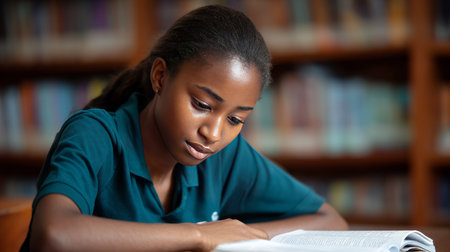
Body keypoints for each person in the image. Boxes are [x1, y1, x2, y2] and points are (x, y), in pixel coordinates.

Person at [21, 4, 347, 252]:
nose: (214, 133)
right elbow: (53, 235)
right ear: (161, 77)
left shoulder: (225, 157)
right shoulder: (95, 135)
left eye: (235, 119)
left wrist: (245, 236)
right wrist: (200, 235)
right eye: (202, 105)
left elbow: (330, 222)